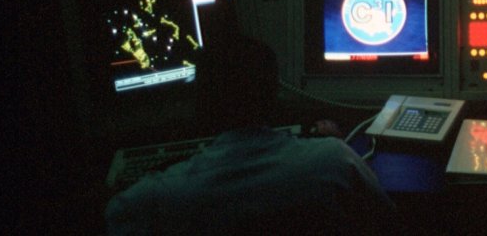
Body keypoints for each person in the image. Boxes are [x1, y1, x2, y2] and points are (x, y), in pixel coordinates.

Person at [105, 37, 396, 235]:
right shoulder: (334, 158)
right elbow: (387, 220)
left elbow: (111, 217)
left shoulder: (161, 194)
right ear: (275, 96)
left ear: (202, 105)